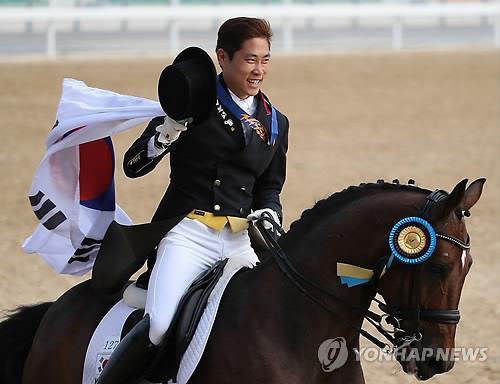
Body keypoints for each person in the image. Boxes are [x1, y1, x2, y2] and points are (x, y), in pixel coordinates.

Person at [97, 17, 289, 384]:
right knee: (159, 326)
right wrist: (166, 134)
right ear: (223, 57)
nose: (259, 70)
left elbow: (270, 187)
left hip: (238, 241)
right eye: (250, 59)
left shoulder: (277, 122)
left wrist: (270, 213)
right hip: (187, 234)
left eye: (265, 59)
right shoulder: (191, 100)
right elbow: (133, 166)